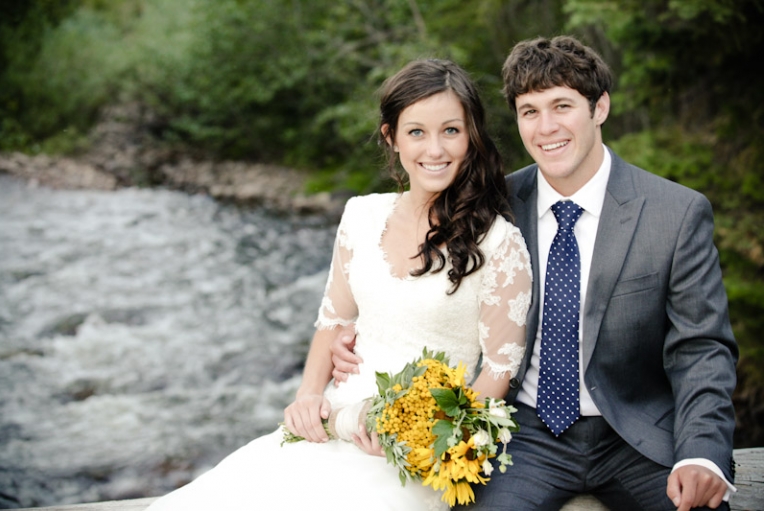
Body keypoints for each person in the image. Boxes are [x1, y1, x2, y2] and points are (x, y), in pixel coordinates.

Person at [332, 36, 738, 511]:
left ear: (599, 107)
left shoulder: (675, 213)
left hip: (639, 436)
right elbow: (421, 281)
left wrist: (702, 455)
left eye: (561, 106)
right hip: (523, 436)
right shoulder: (488, 206)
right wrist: (356, 331)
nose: (546, 128)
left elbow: (702, 348)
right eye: (529, 111)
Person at [145, 59, 532, 511]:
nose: (435, 148)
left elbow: (497, 374)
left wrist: (432, 440)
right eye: (416, 132)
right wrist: (308, 397)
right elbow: (333, 321)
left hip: (414, 452)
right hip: (334, 420)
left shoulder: (499, 242)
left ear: (472, 136)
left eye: (451, 130)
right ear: (391, 137)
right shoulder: (362, 216)